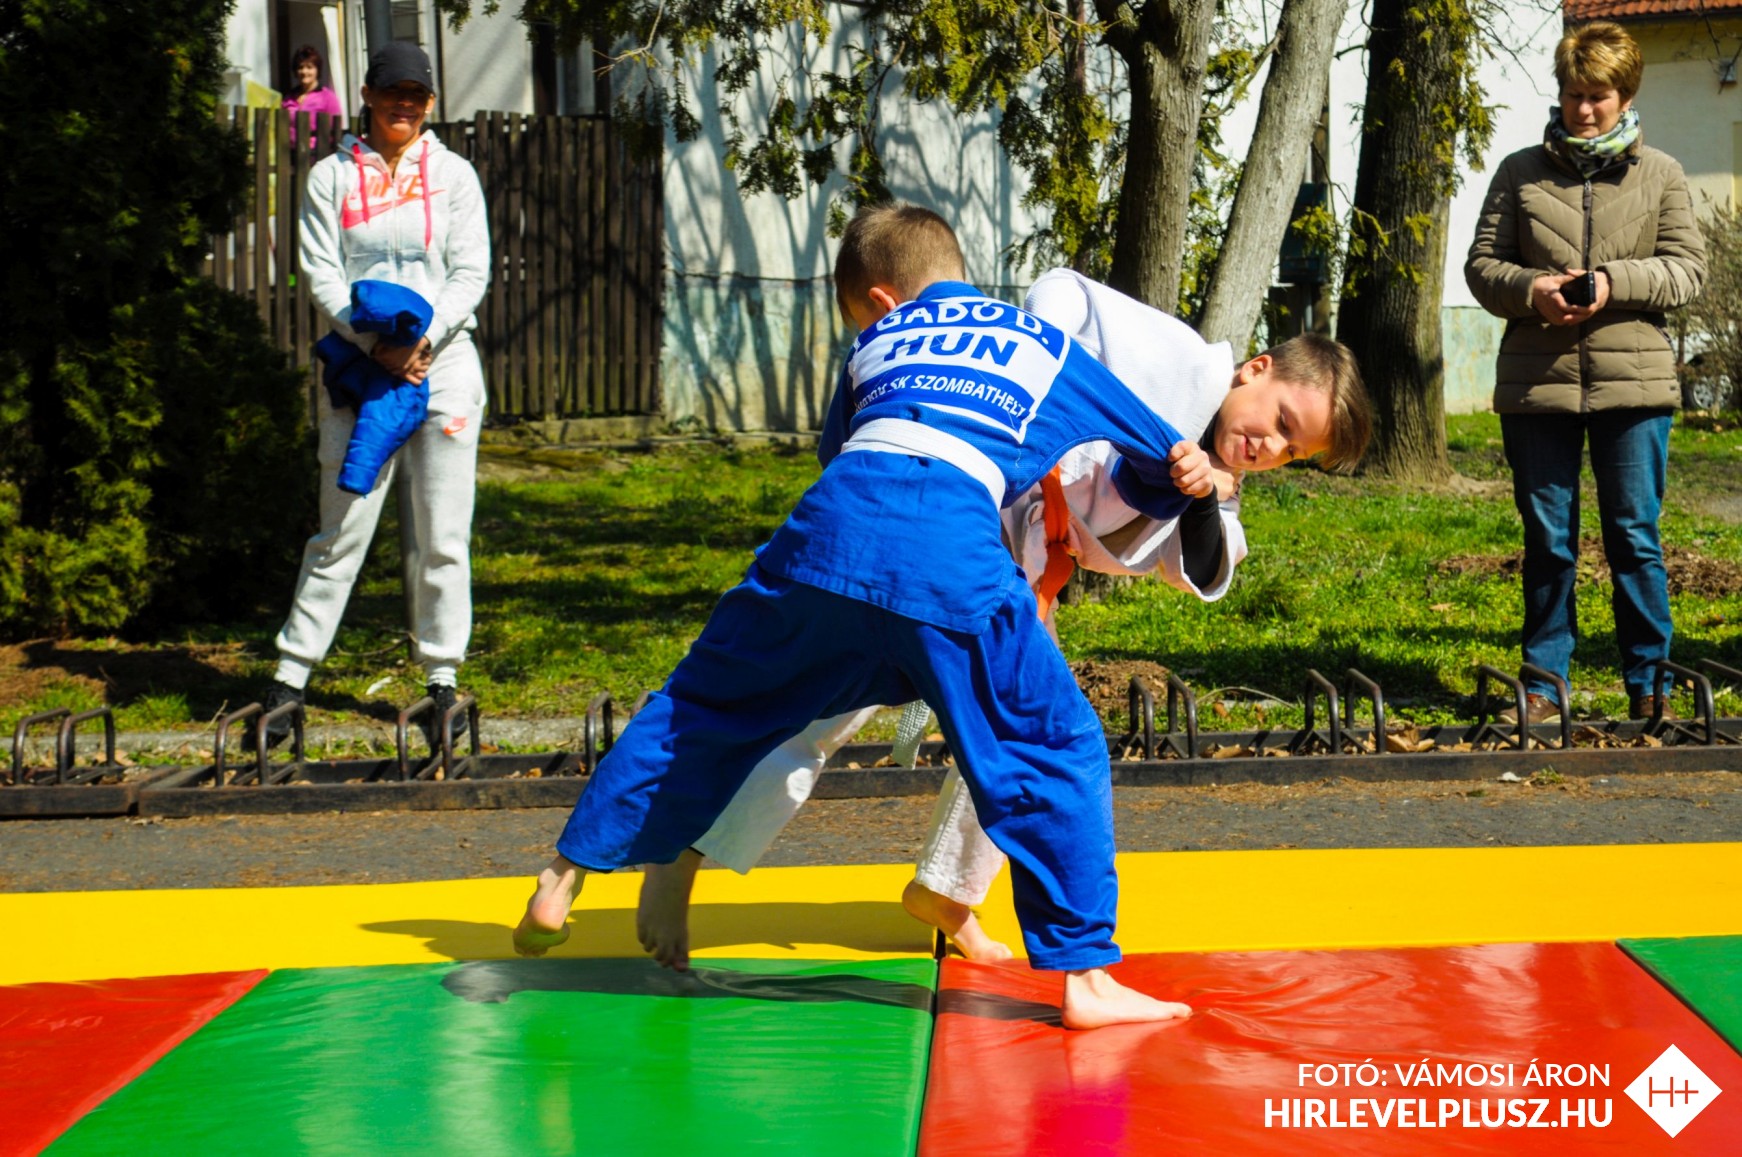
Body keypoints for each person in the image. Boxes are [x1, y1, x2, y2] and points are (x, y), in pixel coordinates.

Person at [514, 203, 1355, 1030]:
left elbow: (841, 451)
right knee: (1042, 741)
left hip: (853, 539)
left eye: (1293, 451)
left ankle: (581, 864)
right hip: (960, 552)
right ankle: (1081, 971)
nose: (1271, 447)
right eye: (1281, 421)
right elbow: (1077, 333)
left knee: (713, 701)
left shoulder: (878, 341)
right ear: (1253, 368)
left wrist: (1197, 487)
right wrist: (1170, 468)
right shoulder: (1124, 352)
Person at [1465, 20, 1706, 726]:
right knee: (1548, 541)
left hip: (1635, 387)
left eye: (1598, 96)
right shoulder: (1519, 172)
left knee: (1634, 536)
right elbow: (1482, 267)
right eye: (1574, 94)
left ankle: (1651, 681)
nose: (1584, 109)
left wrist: (1612, 282)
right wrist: (1532, 290)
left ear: (1625, 95)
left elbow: (1687, 270)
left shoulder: (1661, 173)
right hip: (1537, 385)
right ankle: (1544, 685)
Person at [259, 41, 489, 745]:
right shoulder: (330, 176)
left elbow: (470, 271)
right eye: (392, 92)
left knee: (443, 534)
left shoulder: (454, 175)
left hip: (444, 366)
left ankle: (442, 680)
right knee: (341, 527)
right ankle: (289, 680)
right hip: (360, 370)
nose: (404, 104)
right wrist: (374, 344)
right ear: (366, 95)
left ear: (431, 102)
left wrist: (424, 341)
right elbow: (320, 271)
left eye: (416, 94)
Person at [281, 44, 344, 147]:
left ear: (317, 70)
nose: (304, 71)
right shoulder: (288, 98)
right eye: (300, 67)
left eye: (309, 67)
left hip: (317, 152)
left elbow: (336, 129)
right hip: (290, 152)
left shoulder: (328, 97)